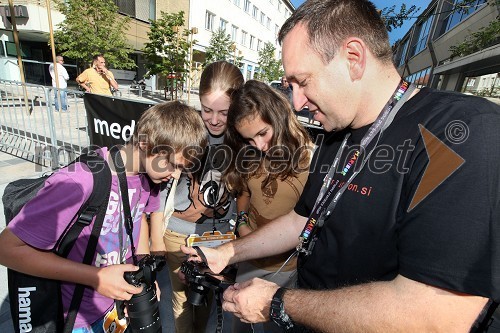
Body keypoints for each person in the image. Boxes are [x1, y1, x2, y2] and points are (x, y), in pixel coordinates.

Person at [180, 0, 500, 332]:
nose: (297, 102)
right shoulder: (336, 136)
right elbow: (299, 222)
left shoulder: (464, 132)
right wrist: (229, 252)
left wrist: (278, 303)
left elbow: (438, 317)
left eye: (302, 82)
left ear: (353, 58)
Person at [0, 101, 208, 332]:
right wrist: (97, 277)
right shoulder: (79, 182)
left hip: (115, 309)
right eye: (172, 164)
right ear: (144, 143)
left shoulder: (148, 178)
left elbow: (137, 223)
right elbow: (7, 249)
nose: (175, 175)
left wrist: (142, 276)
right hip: (77, 318)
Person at [150, 61, 244, 333]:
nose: (214, 120)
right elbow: (159, 190)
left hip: (220, 239)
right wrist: (156, 238)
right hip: (178, 236)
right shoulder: (186, 131)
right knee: (180, 302)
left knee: (209, 302)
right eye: (206, 110)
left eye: (223, 112)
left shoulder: (244, 137)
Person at [223, 79, 313, 332]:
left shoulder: (312, 160)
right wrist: (242, 225)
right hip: (248, 262)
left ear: (279, 116)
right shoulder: (251, 154)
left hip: (287, 272)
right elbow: (243, 194)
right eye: (249, 139)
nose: (260, 146)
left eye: (263, 133)